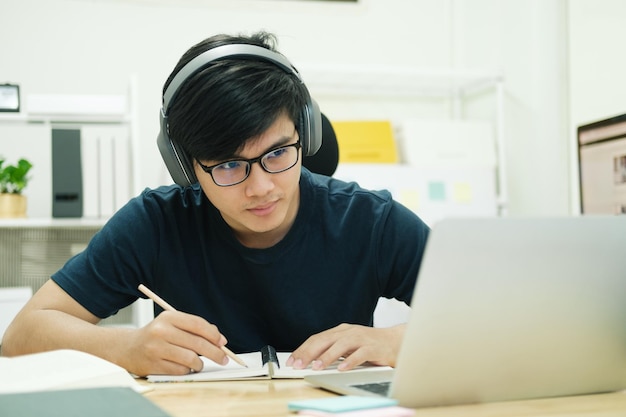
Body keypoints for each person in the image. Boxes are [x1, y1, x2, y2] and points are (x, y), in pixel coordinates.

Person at [1, 31, 429, 377]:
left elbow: (493, 319)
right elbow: (20, 337)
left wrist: (396, 341)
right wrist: (125, 346)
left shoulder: (371, 221)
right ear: (184, 168)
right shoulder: (155, 224)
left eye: (278, 153)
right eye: (227, 165)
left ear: (307, 135)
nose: (261, 187)